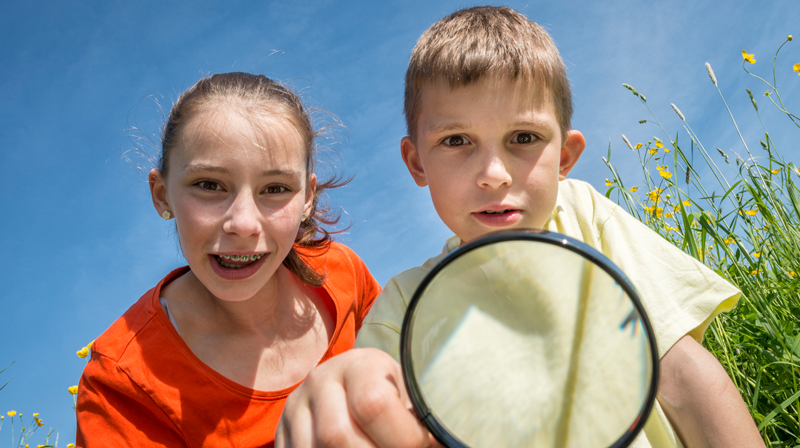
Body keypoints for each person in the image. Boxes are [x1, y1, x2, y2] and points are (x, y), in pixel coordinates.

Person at [276, 6, 765, 448]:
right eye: (456, 140)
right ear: (417, 162)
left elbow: (682, 374)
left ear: (565, 156)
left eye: (524, 137)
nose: (494, 174)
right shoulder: (403, 308)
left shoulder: (584, 218)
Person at [75, 72, 381, 447]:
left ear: (307, 198)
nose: (243, 224)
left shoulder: (344, 273)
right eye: (209, 185)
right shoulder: (121, 381)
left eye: (275, 188)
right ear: (162, 194)